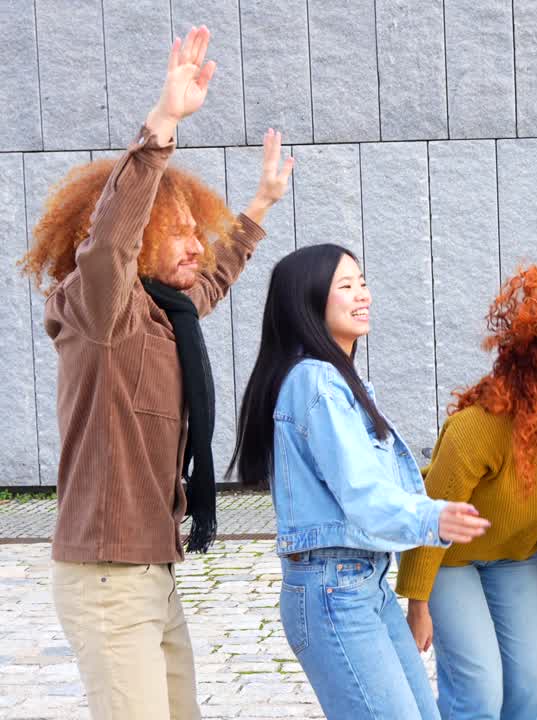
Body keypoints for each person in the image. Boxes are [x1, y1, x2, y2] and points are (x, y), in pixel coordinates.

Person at [20, 26, 291, 718]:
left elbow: (215, 277)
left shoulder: (167, 314)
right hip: (108, 578)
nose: (197, 245)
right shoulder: (100, 311)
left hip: (153, 572)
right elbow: (109, 239)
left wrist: (260, 204)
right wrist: (162, 123)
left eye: (198, 230)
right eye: (179, 231)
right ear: (138, 240)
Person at [229, 243, 490, 719]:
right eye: (345, 286)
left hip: (364, 583)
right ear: (308, 301)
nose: (363, 294)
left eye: (363, 283)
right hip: (334, 591)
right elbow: (361, 491)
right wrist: (432, 517)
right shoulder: (316, 381)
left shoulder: (339, 381)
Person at [395, 265, 537, 720]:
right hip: (450, 559)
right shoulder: (479, 431)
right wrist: (418, 605)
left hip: (514, 559)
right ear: (536, 384)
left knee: (531, 692)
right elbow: (430, 514)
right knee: (480, 693)